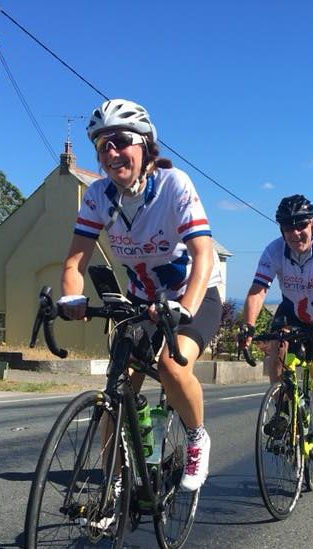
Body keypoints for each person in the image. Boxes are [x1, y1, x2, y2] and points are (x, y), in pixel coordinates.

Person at [59, 98, 222, 492]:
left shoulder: (172, 185)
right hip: (140, 300)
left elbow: (203, 254)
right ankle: (113, 489)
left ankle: (197, 436)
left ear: (145, 146)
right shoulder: (98, 196)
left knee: (171, 366)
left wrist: (185, 308)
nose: (112, 152)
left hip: (194, 293)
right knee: (118, 388)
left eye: (120, 140)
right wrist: (70, 299)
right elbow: (74, 263)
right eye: (103, 146)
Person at [238, 194, 313, 472]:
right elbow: (258, 290)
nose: (296, 233)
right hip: (293, 312)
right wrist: (248, 325)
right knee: (275, 350)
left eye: (301, 225)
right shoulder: (273, 251)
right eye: (289, 227)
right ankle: (284, 411)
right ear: (281, 230)